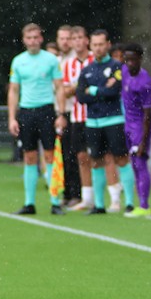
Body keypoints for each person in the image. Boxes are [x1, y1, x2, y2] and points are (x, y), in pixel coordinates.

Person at [8, 22, 65, 215]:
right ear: (24, 40)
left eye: (35, 37)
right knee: (29, 156)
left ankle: (55, 201)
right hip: (26, 112)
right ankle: (29, 203)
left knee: (50, 155)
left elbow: (59, 88)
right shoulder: (18, 61)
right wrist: (12, 118)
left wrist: (61, 114)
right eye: (29, 38)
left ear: (40, 38)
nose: (32, 41)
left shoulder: (51, 60)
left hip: (46, 110)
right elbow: (14, 91)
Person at [76, 31, 136, 215]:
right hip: (93, 122)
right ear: (91, 46)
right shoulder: (87, 70)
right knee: (96, 161)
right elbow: (80, 96)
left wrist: (93, 90)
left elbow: (115, 92)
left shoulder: (118, 67)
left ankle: (130, 203)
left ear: (108, 44)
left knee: (121, 158)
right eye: (95, 45)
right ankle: (99, 204)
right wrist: (101, 90)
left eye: (101, 44)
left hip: (114, 120)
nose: (98, 48)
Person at [59, 26, 93, 210]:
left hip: (96, 114)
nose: (77, 41)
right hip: (77, 115)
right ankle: (84, 196)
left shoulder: (95, 60)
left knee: (104, 156)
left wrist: (78, 88)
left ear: (86, 40)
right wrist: (78, 88)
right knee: (79, 155)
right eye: (75, 38)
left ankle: (113, 195)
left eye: (81, 37)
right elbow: (64, 90)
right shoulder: (68, 65)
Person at [120, 42, 151, 217]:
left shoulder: (145, 82)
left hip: (140, 126)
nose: (130, 63)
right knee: (133, 163)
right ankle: (139, 202)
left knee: (140, 163)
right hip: (128, 124)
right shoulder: (123, 71)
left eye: (133, 60)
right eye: (127, 60)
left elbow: (148, 115)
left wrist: (143, 140)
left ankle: (144, 205)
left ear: (140, 59)